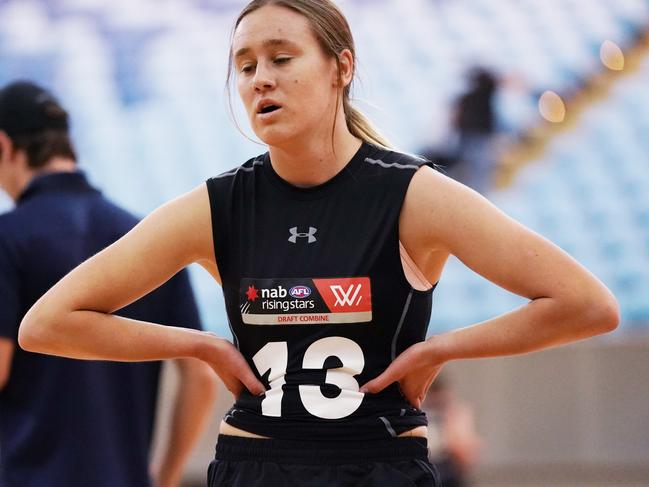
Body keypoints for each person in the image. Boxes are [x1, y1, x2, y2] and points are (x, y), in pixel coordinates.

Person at [18, 1, 620, 486]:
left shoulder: (415, 195)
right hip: (254, 464)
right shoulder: (216, 205)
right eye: (246, 65)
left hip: (379, 463)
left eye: (281, 58)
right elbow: (47, 323)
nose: (261, 79)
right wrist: (201, 346)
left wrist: (439, 350)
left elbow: (587, 305)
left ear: (342, 67)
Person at [0, 80, 218, 487]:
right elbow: (201, 375)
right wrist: (166, 476)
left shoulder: (8, 238)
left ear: (4, 146)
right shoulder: (146, 236)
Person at [423, 375, 481, 487]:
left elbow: (467, 457)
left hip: (451, 473)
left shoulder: (456, 414)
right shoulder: (420, 416)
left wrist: (449, 424)